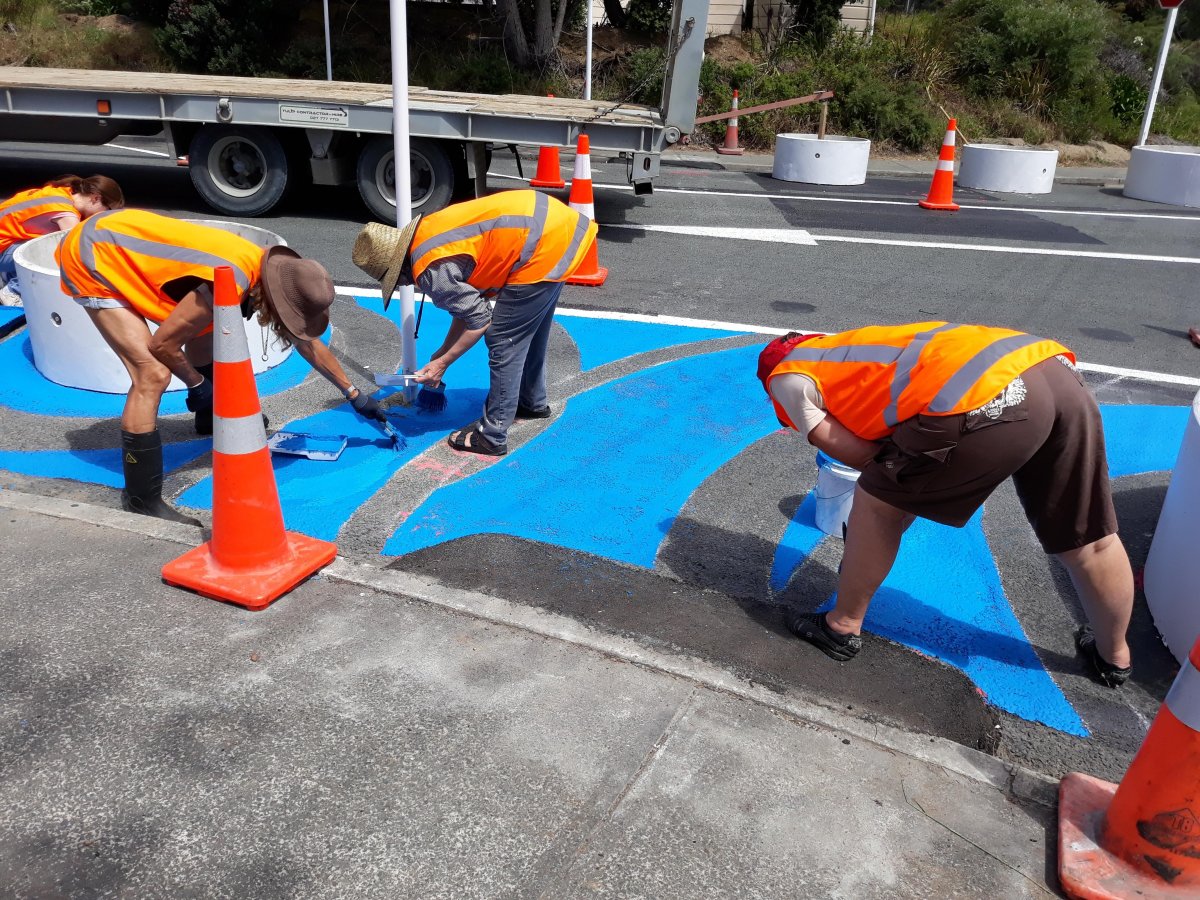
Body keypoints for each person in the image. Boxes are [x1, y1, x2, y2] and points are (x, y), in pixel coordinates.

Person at [758, 322, 1135, 688]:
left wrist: (878, 521)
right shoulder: (849, 351)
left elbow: (860, 456)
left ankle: (840, 627)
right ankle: (1113, 656)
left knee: (875, 504)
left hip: (981, 397)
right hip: (1050, 369)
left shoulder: (784, 378)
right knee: (1089, 539)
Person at [56, 209, 388, 525]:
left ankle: (208, 418)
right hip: (96, 254)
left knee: (207, 327)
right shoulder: (229, 278)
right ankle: (142, 498)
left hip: (120, 237)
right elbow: (163, 345)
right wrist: (196, 383)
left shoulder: (259, 269)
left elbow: (306, 342)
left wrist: (354, 394)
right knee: (152, 374)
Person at [352, 188, 598, 456]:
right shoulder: (427, 237)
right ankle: (531, 402)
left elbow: (480, 321)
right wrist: (441, 354)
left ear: (397, 271)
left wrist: (442, 363)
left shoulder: (431, 272)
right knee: (529, 329)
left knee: (504, 340)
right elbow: (467, 308)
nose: (402, 285)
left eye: (394, 282)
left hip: (539, 243)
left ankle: (491, 436)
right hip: (555, 227)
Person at [0, 175, 124, 305]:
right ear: (96, 198)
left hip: (5, 242)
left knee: (51, 243)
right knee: (59, 249)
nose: (104, 216)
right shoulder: (66, 213)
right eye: (107, 210)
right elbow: (77, 250)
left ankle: (10, 275)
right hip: (3, 248)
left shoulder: (64, 192)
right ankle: (13, 291)